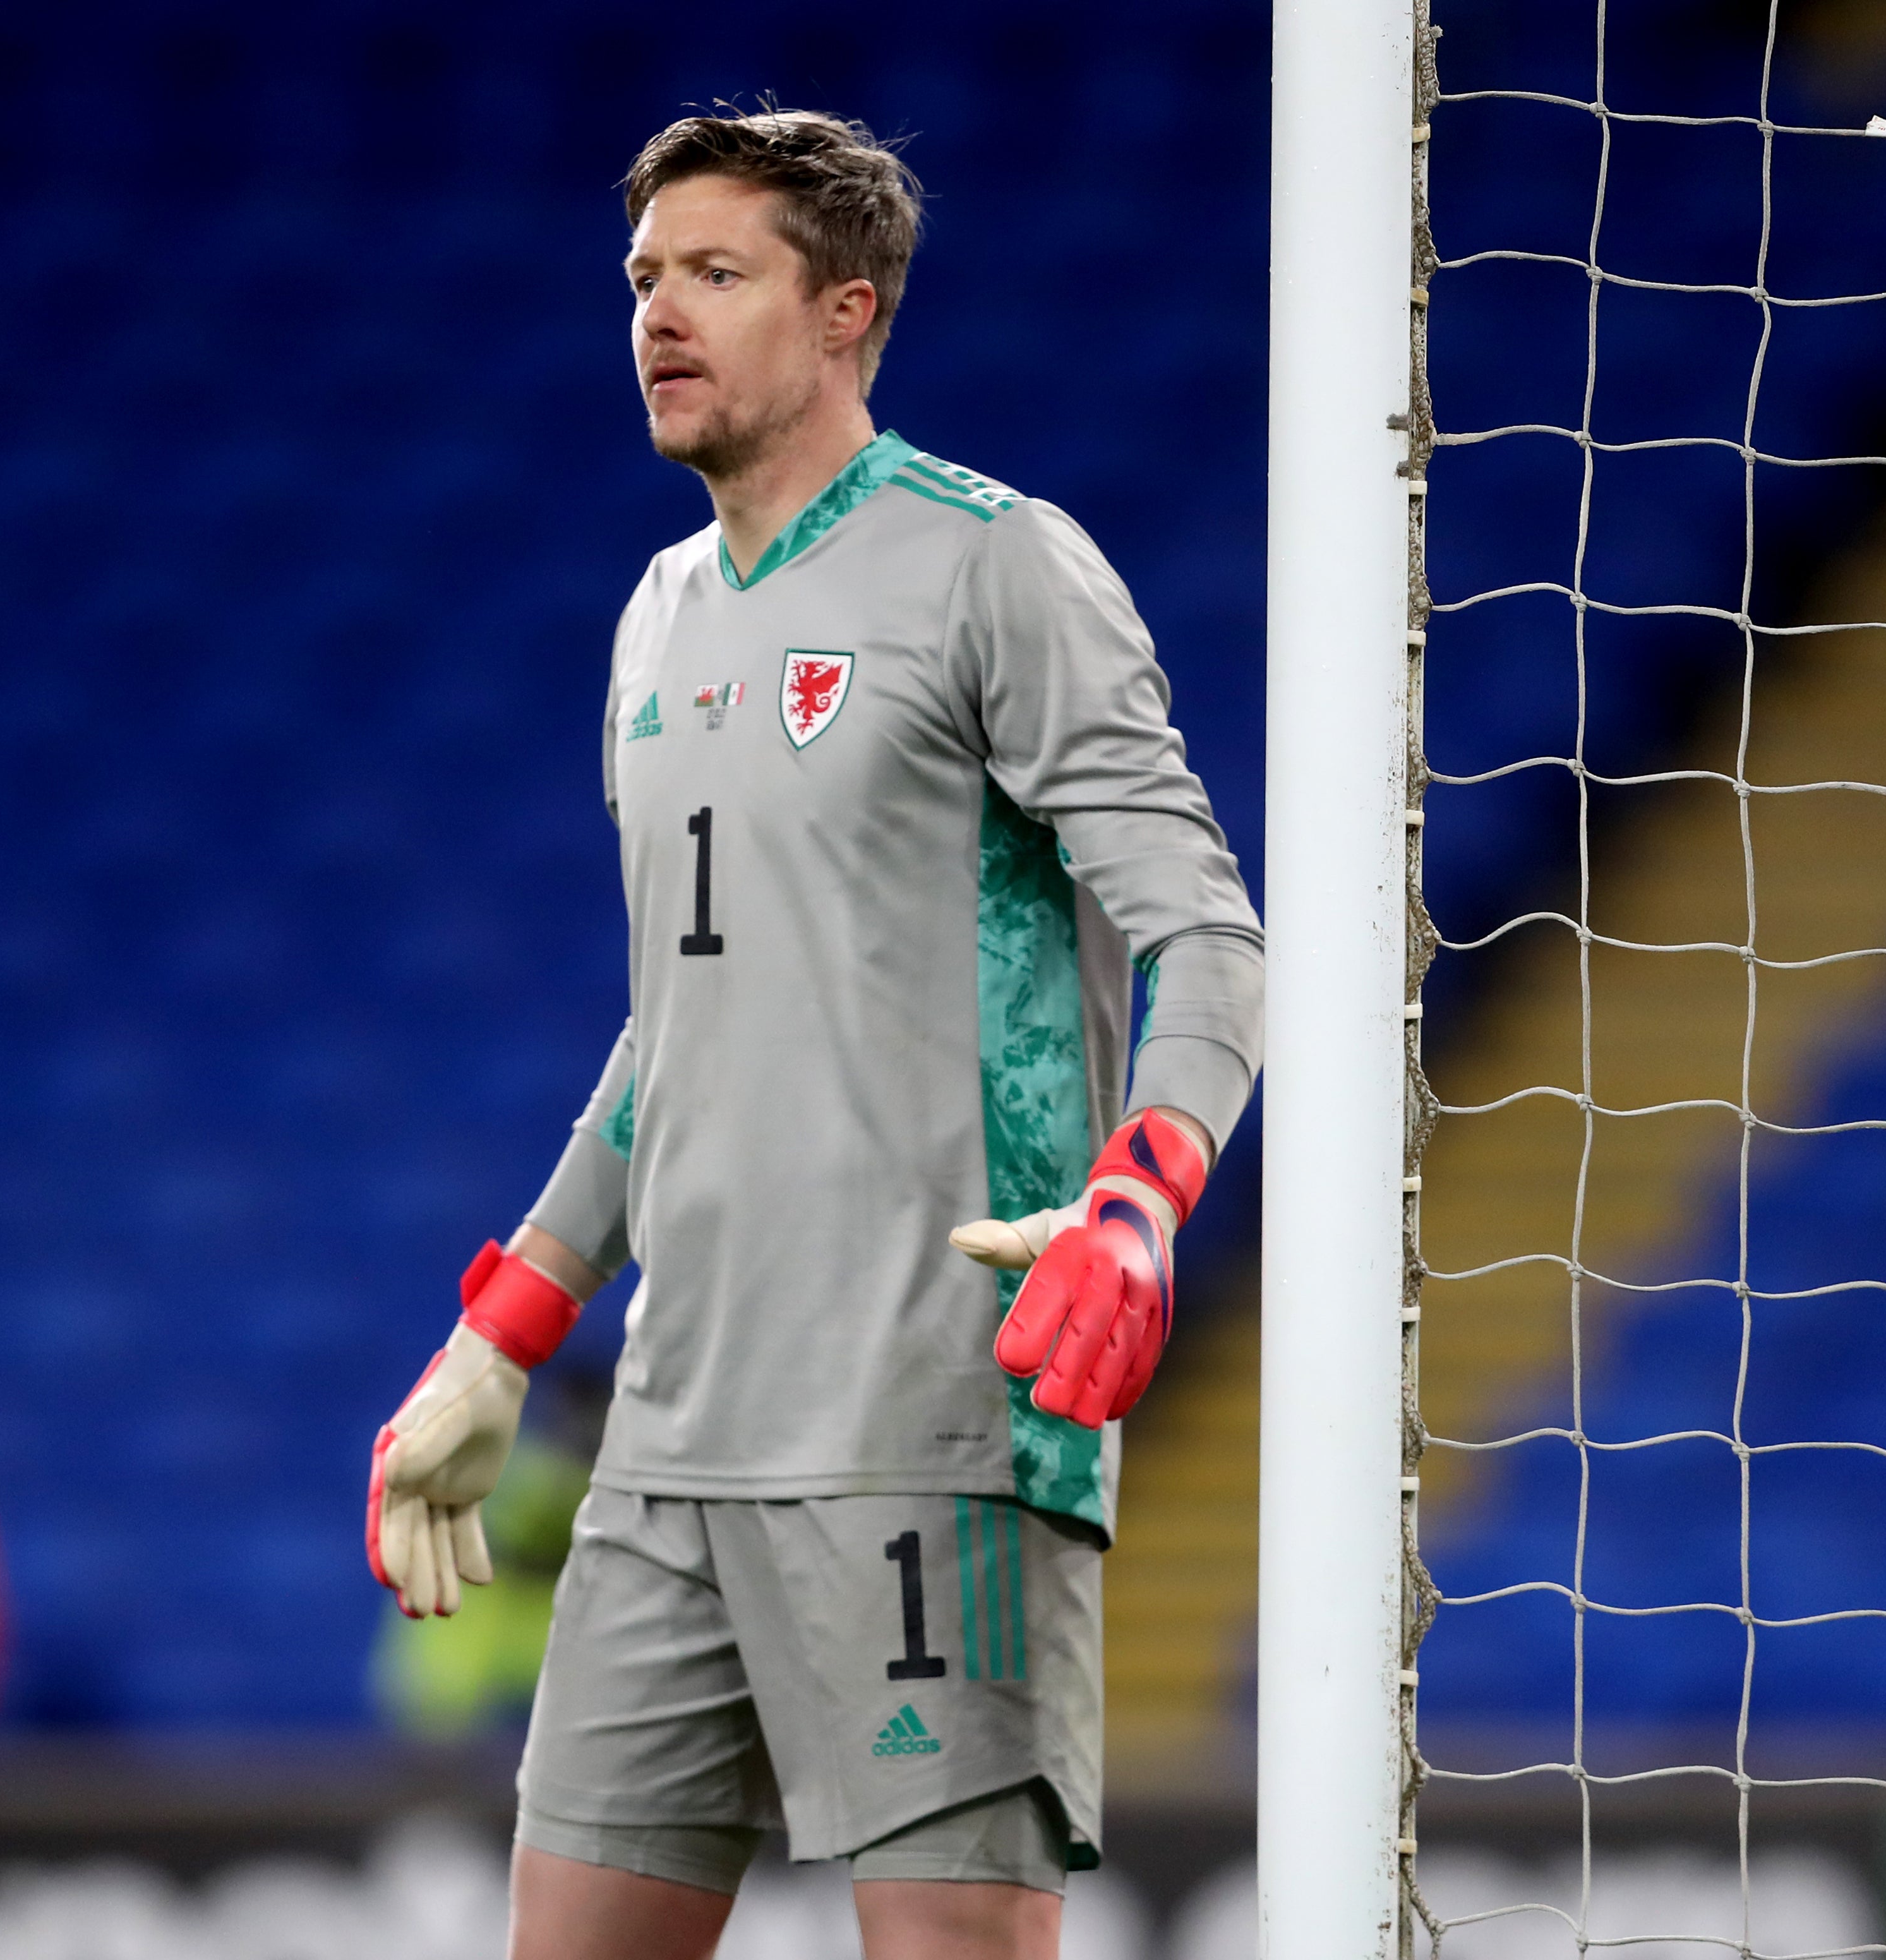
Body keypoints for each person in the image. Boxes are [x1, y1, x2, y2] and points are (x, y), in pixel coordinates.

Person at [366, 109, 1264, 1959]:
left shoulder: (994, 569)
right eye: (639, 279)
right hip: (673, 1441)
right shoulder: (654, 616)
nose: (656, 315)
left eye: (715, 273)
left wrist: (1138, 1196)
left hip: (926, 1416)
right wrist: (497, 1333)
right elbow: (674, 1031)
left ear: (845, 309)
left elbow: (1207, 934)